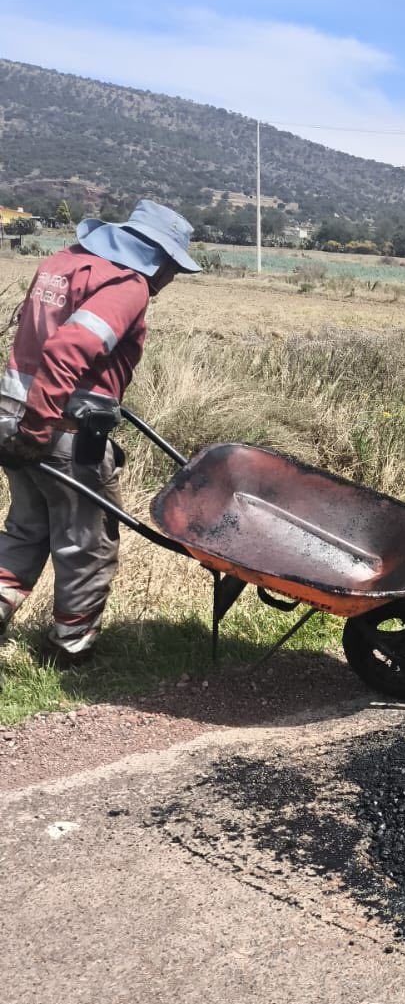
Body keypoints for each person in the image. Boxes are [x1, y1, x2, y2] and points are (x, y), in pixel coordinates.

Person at [0, 200, 201, 665]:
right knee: (87, 543)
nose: (169, 280)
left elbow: (32, 342)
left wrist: (25, 426)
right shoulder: (126, 284)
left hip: (12, 416)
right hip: (62, 431)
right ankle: (70, 650)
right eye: (172, 267)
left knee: (26, 531)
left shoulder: (62, 262)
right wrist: (40, 425)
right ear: (157, 255)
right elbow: (68, 350)